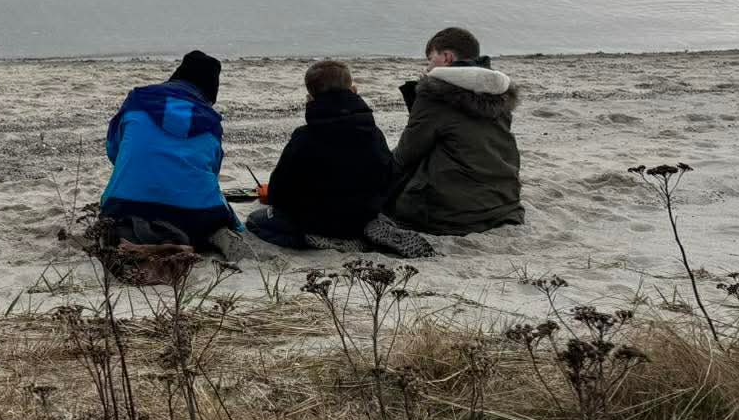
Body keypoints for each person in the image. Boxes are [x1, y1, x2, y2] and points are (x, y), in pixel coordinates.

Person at [246, 60, 402, 250]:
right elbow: (388, 177)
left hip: (315, 222)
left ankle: (313, 240)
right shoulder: (374, 133)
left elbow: (281, 190)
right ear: (354, 90)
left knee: (254, 221)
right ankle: (362, 233)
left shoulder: (304, 136)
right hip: (361, 219)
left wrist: (270, 195)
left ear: (310, 98)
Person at [382, 27, 524, 235]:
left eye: (430, 59)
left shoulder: (435, 94)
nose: (428, 67)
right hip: (504, 204)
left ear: (447, 57)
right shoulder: (498, 93)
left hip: (451, 213)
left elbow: (407, 153)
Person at [101, 50, 243, 254]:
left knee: (113, 219)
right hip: (196, 214)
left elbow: (113, 150)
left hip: (124, 206)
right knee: (219, 218)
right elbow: (212, 170)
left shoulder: (136, 101)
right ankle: (206, 237)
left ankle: (147, 238)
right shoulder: (211, 122)